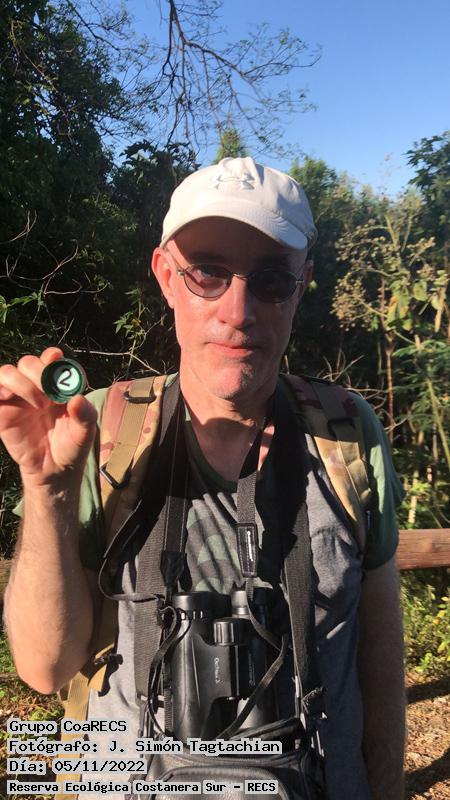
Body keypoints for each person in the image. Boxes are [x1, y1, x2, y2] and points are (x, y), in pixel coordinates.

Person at [1, 157, 405, 800]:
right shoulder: (96, 434)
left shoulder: (348, 435)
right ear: (167, 276)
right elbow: (44, 667)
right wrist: (47, 489)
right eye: (208, 273)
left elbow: (380, 675)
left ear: (302, 285)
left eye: (271, 280)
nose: (237, 311)